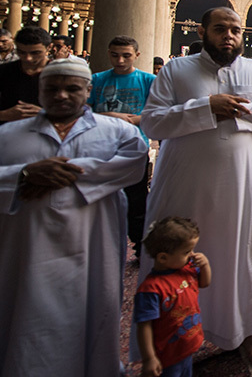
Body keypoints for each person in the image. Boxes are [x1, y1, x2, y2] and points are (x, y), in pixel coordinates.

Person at [139, 7, 252, 365]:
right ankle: (168, 337)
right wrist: (207, 107)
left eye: (235, 30)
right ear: (203, 31)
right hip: (185, 186)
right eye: (220, 29)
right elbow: (153, 122)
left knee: (243, 251)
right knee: (178, 252)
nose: (229, 36)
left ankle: (247, 329)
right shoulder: (177, 70)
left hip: (239, 184)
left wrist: (238, 110)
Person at [0, 58, 147, 375]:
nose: (62, 95)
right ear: (40, 89)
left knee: (94, 308)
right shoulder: (8, 134)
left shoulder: (118, 132)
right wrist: (25, 174)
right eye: (52, 88)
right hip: (26, 250)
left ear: (88, 90)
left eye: (72, 88)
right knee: (26, 313)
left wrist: (61, 174)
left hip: (92, 245)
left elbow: (134, 164)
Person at [87, 35, 155, 258]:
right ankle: (98, 244)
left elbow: (157, 113)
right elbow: (84, 112)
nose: (121, 60)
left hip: (135, 148)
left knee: (136, 199)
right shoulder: (97, 79)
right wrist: (109, 115)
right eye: (115, 55)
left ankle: (140, 243)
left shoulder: (147, 80)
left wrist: (133, 120)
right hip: (100, 148)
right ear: (109, 54)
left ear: (136, 55)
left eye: (126, 55)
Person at [135, 217, 212, 377]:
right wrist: (149, 358)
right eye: (186, 252)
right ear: (163, 258)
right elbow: (144, 326)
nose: (192, 255)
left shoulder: (186, 269)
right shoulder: (151, 289)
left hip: (187, 345)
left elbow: (205, 283)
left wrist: (205, 265)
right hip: (167, 355)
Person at [0, 26, 50, 123]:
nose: (28, 58)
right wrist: (4, 115)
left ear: (49, 48)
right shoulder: (4, 71)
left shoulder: (60, 73)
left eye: (35, 53)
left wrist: (46, 115)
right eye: (21, 52)